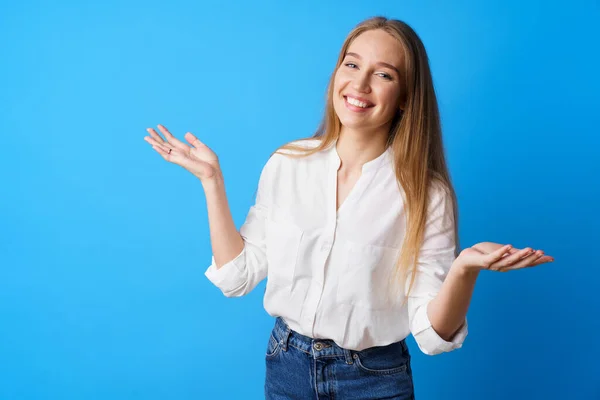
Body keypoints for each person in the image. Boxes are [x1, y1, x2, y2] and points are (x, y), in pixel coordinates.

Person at [143, 16, 553, 400]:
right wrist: (212, 182)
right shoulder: (287, 163)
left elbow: (432, 335)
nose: (360, 84)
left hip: (375, 378)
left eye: (383, 74)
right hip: (286, 366)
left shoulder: (427, 195)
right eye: (352, 65)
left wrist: (463, 269)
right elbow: (237, 276)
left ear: (406, 97)